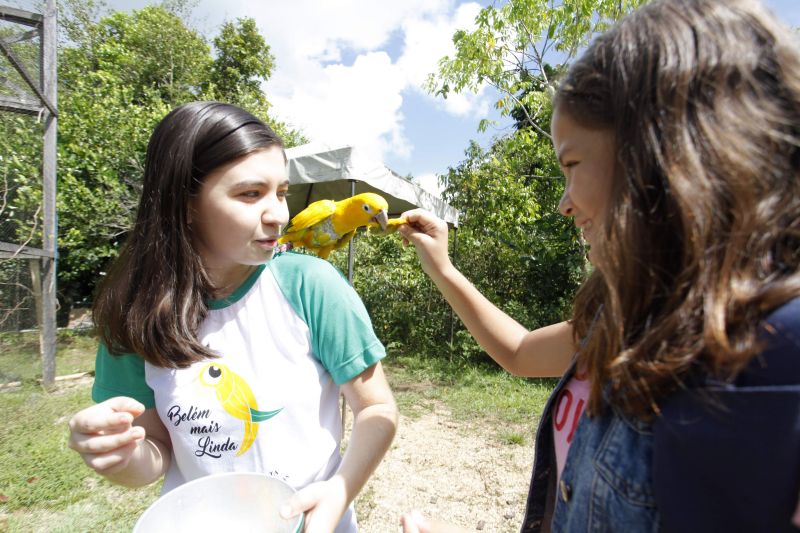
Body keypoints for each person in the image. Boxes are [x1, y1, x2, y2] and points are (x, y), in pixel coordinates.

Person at [398, 0, 800, 531]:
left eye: (572, 164)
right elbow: (519, 353)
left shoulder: (775, 356)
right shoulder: (632, 317)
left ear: (657, 158)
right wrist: (444, 269)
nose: (564, 203)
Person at [66, 101, 398, 533]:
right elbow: (157, 451)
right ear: (184, 204)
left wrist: (339, 491)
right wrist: (119, 456)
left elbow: (376, 408)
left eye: (281, 192)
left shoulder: (312, 286)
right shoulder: (138, 316)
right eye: (249, 194)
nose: (280, 214)